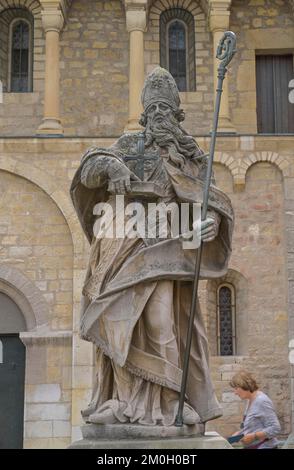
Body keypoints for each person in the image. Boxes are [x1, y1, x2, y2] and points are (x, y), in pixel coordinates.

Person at [70, 67, 234, 427]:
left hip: (165, 250)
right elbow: (89, 168)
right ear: (145, 115)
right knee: (117, 322)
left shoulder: (192, 158)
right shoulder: (129, 146)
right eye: (153, 110)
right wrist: (111, 167)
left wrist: (211, 224)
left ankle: (173, 397)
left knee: (162, 323)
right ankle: (125, 401)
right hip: (123, 248)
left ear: (178, 116)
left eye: (166, 110)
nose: (159, 117)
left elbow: (213, 201)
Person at [229, 370, 281, 449]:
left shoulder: (262, 401)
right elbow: (253, 426)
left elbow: (275, 428)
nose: (235, 393)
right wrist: (239, 434)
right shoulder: (250, 400)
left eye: (236, 388)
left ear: (244, 385)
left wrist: (254, 436)